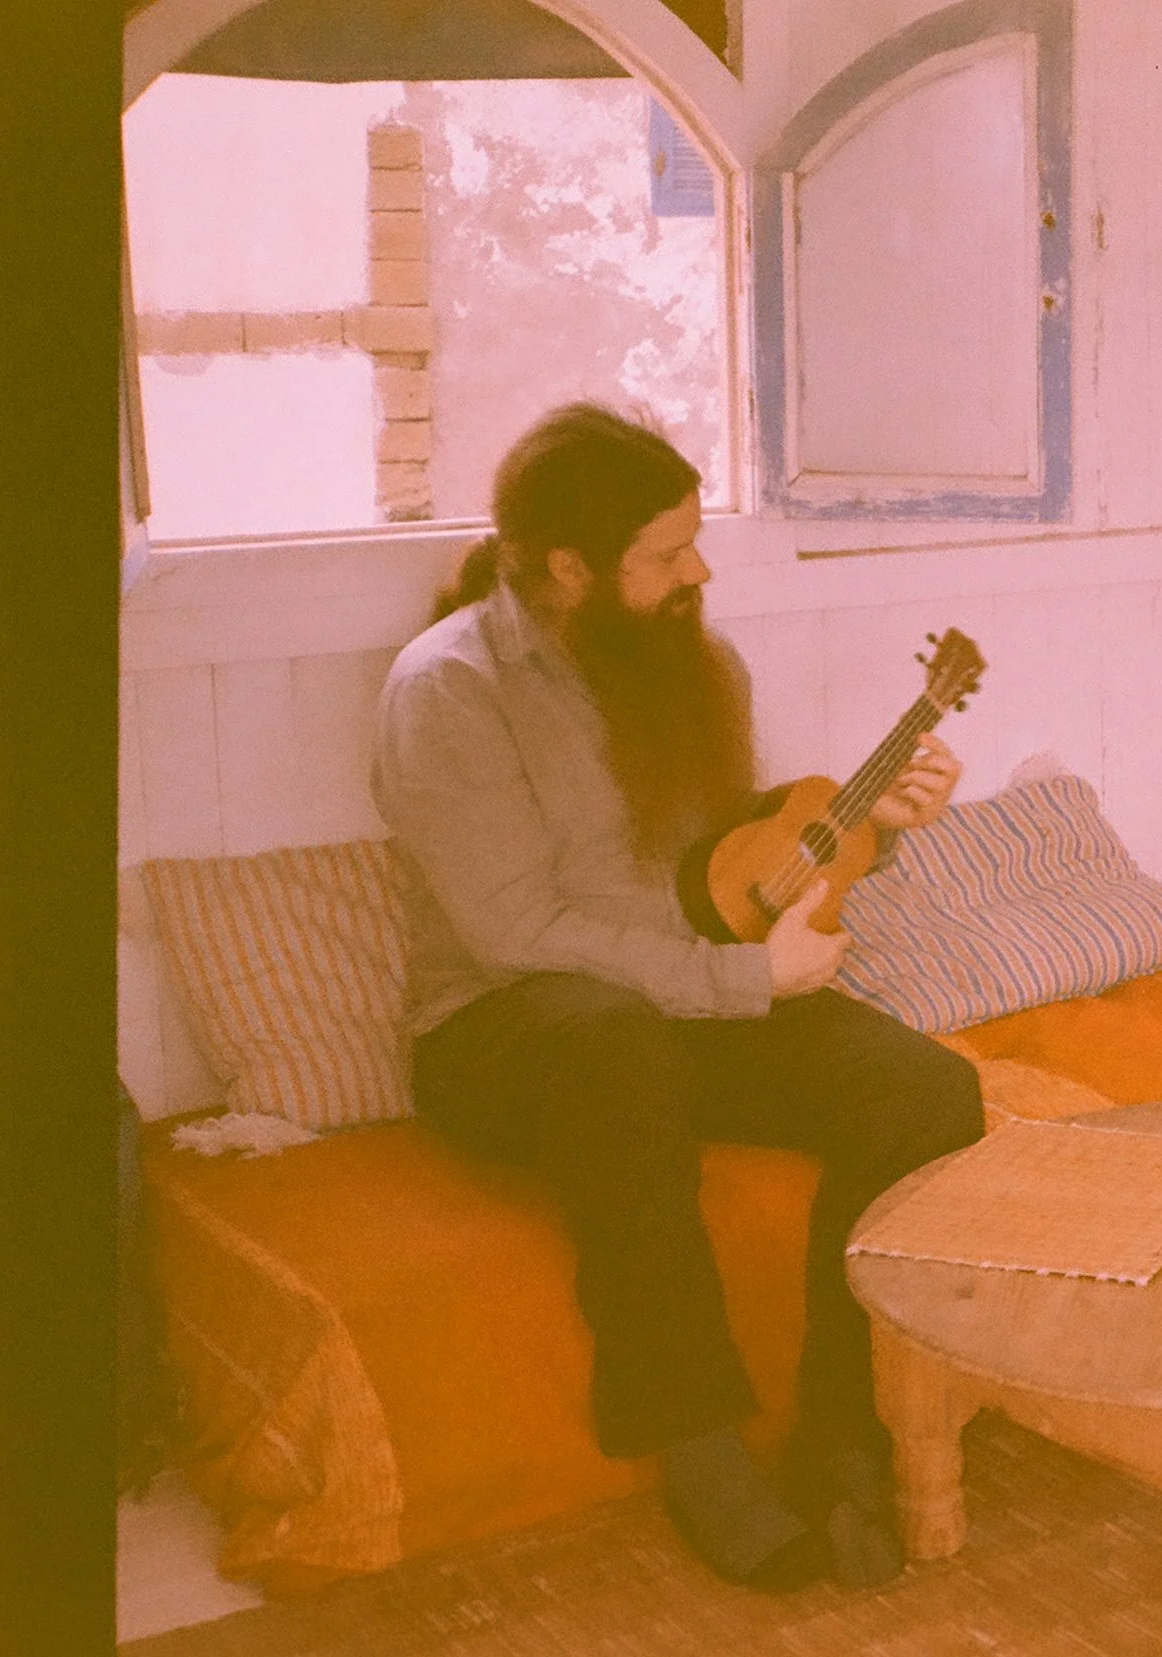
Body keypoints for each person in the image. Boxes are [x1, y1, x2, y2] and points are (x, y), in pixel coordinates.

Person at [370, 403, 985, 1592]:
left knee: (924, 1088)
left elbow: (720, 861)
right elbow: (517, 934)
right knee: (610, 1044)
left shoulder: (693, 659)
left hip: (673, 1007)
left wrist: (868, 830)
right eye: (665, 553)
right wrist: (740, 980)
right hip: (511, 1031)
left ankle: (842, 1421)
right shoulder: (447, 693)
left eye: (691, 542)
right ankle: (699, 1447)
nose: (697, 570)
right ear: (567, 567)